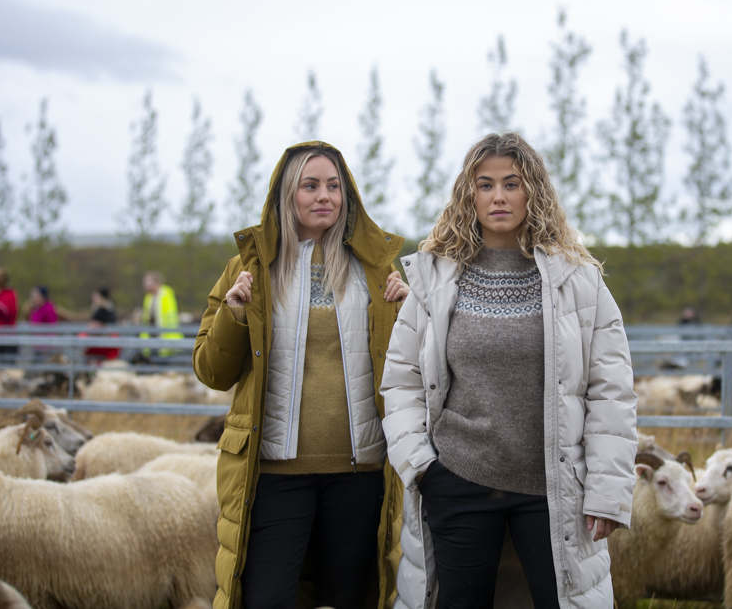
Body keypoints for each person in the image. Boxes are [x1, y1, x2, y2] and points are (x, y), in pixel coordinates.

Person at [380, 133, 637, 608]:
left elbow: (611, 391)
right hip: (458, 480)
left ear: (532, 192)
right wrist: (422, 468)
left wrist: (607, 489)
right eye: (485, 184)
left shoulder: (578, 280)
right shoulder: (433, 278)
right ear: (469, 195)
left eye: (512, 183)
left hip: (555, 489)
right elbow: (402, 382)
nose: (498, 196)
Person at [193, 142, 410, 609]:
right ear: (286, 195)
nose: (324, 196)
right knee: (266, 599)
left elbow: (411, 369)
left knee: (349, 600)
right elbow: (212, 371)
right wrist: (233, 311)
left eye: (334, 186)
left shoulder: (378, 273)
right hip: (275, 472)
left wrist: (408, 314)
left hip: (360, 472)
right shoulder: (249, 270)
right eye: (310, 186)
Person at [139, 271, 183, 357]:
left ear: (156, 282)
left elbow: (169, 315)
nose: (145, 285)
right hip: (152, 335)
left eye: (148, 282)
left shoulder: (166, 293)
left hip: (166, 334)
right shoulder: (149, 297)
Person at [85, 287, 120, 361]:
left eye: (95, 296)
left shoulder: (102, 310)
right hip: (108, 340)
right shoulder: (109, 307)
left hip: (104, 341)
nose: (93, 298)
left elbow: (93, 325)